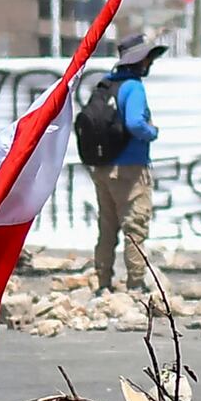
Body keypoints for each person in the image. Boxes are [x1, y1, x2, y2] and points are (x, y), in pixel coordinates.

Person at [76, 34, 161, 291]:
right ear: (140, 61)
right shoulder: (133, 87)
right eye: (148, 58)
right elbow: (135, 123)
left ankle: (103, 282)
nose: (150, 64)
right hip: (130, 170)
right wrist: (152, 132)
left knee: (107, 228)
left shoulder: (106, 84)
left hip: (103, 167)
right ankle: (135, 285)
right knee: (135, 227)